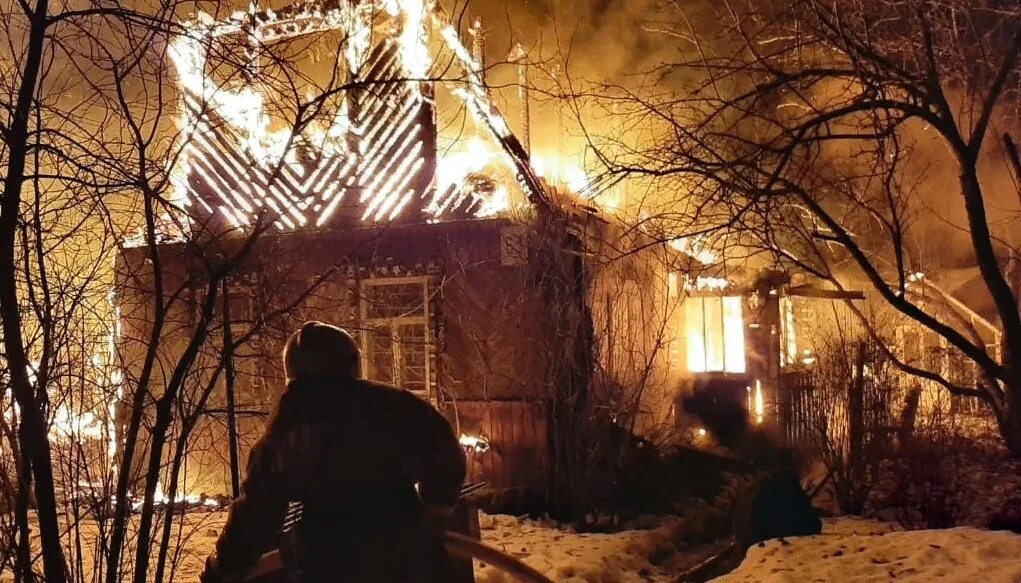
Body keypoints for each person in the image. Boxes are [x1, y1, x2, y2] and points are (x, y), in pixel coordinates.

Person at [201, 321, 466, 582]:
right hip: (405, 553)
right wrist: (434, 513)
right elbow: (446, 456)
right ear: (352, 363)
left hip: (327, 560)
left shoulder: (289, 425)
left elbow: (258, 509)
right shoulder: (396, 407)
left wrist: (226, 564)